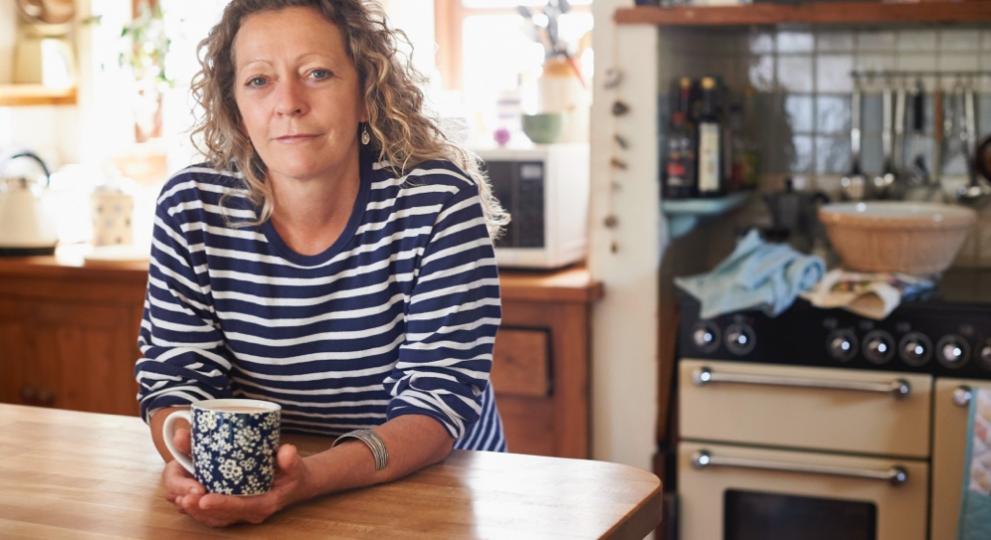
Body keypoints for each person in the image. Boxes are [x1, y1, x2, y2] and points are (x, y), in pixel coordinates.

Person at [133, 0, 509, 527]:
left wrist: (306, 480)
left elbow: (434, 402)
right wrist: (189, 457)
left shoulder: (437, 203)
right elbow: (176, 376)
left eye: (317, 73)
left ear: (365, 94)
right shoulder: (191, 208)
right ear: (236, 107)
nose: (288, 102)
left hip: (434, 486)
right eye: (259, 81)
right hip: (270, 491)